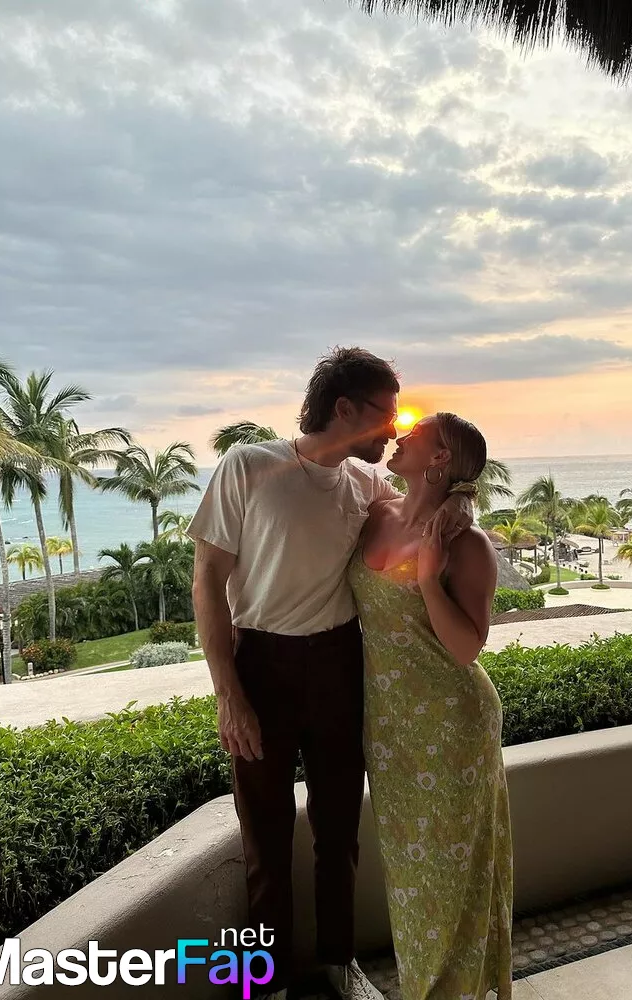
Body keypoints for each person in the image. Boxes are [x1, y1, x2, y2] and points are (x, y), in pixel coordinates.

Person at [188, 348, 471, 1000]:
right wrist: (229, 694)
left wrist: (463, 503)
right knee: (264, 836)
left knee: (338, 830)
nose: (394, 431)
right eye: (386, 415)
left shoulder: (363, 483)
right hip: (261, 664)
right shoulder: (249, 466)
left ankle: (339, 965)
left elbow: (425, 507)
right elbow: (206, 580)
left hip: (340, 664)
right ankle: (266, 981)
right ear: (343, 408)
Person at [347, 412, 514, 1000]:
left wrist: (426, 580)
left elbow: (467, 648)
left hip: (452, 724)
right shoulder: (377, 513)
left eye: (414, 435)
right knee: (409, 872)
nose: (399, 437)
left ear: (440, 459)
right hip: (388, 725)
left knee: (449, 871)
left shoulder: (466, 545)